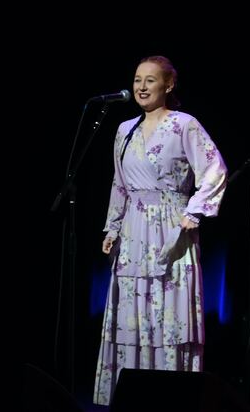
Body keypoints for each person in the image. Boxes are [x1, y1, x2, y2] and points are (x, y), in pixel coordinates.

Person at [93, 55, 228, 406]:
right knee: (134, 314)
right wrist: (113, 227)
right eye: (137, 79)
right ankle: (134, 397)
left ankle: (173, 397)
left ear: (168, 85)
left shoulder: (184, 125)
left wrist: (195, 210)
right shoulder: (125, 130)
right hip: (134, 233)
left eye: (150, 80)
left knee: (167, 309)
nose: (141, 86)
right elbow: (119, 184)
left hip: (171, 231)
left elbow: (214, 169)